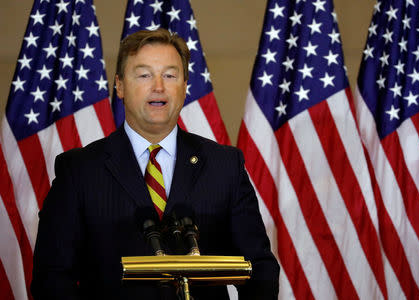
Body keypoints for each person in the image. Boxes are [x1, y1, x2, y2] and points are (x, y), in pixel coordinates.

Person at [31, 29, 279, 300]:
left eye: (170, 75)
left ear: (185, 86)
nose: (158, 86)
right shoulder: (79, 170)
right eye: (144, 75)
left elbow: (259, 269)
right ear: (120, 86)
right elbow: (52, 278)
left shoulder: (225, 166)